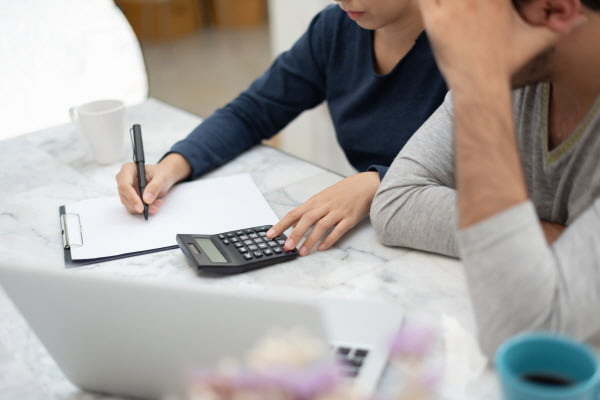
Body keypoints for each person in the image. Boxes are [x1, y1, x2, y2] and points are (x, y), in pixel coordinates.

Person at [116, 0, 447, 257]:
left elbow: (485, 172)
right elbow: (254, 111)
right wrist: (173, 166)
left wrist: (378, 182)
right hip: (373, 238)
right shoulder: (336, 30)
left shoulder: (468, 48)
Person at [370, 0, 600, 355]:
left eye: (466, 16)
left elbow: (525, 340)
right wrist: (558, 244)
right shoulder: (521, 71)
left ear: (554, 10)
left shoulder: (492, 72)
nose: (447, 39)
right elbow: (397, 200)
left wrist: (479, 80)